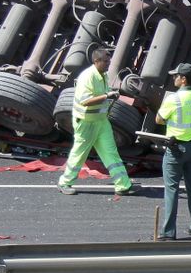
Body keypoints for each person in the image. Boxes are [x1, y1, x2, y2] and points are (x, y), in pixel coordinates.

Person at [57, 47, 137, 196]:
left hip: (101, 122)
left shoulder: (103, 75)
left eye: (109, 61)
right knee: (79, 153)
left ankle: (123, 185)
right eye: (106, 61)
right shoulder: (88, 76)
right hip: (86, 122)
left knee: (111, 152)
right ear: (96, 61)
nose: (108, 64)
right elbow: (85, 101)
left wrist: (110, 96)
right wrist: (107, 96)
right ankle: (65, 182)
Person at [158, 62, 191, 239]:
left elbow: (159, 119)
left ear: (183, 79)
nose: (174, 78)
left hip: (175, 149)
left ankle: (168, 232)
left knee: (171, 190)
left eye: (176, 76)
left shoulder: (173, 99)